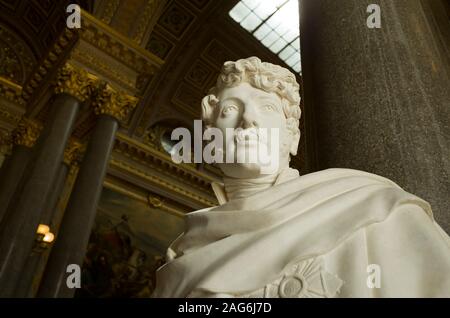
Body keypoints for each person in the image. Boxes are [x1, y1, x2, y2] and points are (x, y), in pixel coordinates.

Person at [152, 57, 450, 298]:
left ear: (292, 137)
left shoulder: (374, 208)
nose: (248, 120)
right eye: (231, 109)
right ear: (210, 138)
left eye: (267, 108)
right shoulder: (185, 251)